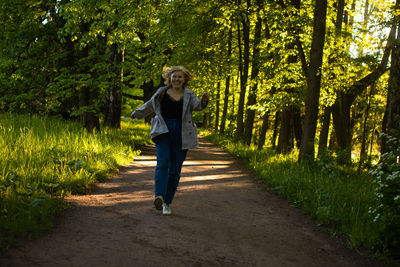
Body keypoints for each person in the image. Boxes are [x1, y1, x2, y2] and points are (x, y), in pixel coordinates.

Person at [131, 66, 209, 215]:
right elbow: (150, 104)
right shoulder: (162, 92)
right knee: (163, 162)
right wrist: (137, 113)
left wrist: (204, 101)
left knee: (175, 169)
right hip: (163, 129)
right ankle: (159, 196)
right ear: (169, 78)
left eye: (180, 77)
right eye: (174, 76)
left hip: (182, 132)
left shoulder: (190, 94)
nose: (177, 79)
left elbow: (197, 106)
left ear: (185, 79)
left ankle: (167, 202)